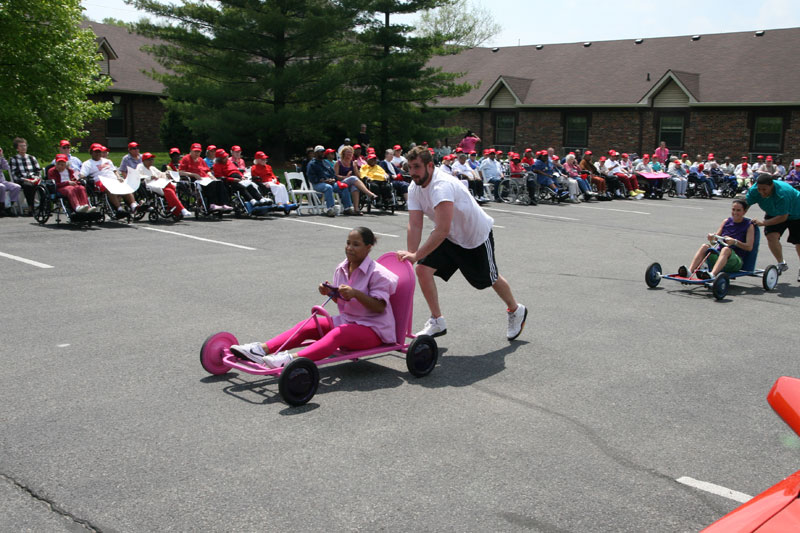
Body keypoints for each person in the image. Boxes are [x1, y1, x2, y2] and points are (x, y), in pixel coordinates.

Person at [396, 146, 527, 341]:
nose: (413, 172)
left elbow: (441, 230)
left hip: (475, 237)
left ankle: (516, 310)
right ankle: (437, 320)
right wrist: (412, 255)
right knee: (422, 270)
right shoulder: (414, 187)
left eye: (417, 167)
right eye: (410, 167)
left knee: (488, 279)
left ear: (430, 166)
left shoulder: (441, 186)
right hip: (449, 238)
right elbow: (415, 224)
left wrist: (417, 255)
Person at [230, 227, 398, 368]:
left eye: (356, 244)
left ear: (368, 247)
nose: (349, 248)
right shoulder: (342, 268)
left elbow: (379, 307)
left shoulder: (379, 274)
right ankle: (260, 350)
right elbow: (343, 302)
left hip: (374, 330)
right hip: (348, 320)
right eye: (348, 243)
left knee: (338, 334)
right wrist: (330, 292)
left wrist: (356, 293)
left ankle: (291, 360)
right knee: (310, 325)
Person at [746, 174, 800, 281]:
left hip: (796, 213)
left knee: (799, 242)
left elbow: (783, 217)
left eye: (764, 189)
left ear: (772, 185)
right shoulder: (754, 190)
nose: (761, 192)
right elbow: (746, 204)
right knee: (771, 236)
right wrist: (739, 219)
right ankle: (781, 263)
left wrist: (763, 222)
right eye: (759, 189)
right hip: (774, 212)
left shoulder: (783, 192)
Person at [684, 199, 755, 280]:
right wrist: (711, 238)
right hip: (720, 256)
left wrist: (735, 242)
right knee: (705, 246)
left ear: (744, 212)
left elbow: (749, 247)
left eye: (738, 210)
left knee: (726, 249)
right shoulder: (726, 221)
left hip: (735, 260)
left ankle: (712, 274)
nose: (735, 213)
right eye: (733, 209)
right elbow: (714, 242)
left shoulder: (749, 226)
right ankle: (690, 271)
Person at [80, 143, 141, 218]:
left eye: (99, 151)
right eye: (95, 152)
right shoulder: (87, 164)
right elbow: (82, 174)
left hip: (113, 179)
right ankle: (119, 209)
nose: (98, 153)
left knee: (126, 186)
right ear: (91, 152)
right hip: (100, 181)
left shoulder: (107, 161)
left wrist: (119, 177)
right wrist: (79, 177)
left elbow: (115, 171)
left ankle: (134, 206)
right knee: (109, 188)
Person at [136, 152, 193, 219]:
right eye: (149, 159)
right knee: (168, 190)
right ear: (144, 161)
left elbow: (160, 174)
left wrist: (166, 174)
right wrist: (150, 177)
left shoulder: (152, 168)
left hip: (158, 183)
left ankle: (172, 207)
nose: (151, 161)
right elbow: (138, 176)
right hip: (149, 184)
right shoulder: (140, 166)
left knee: (172, 186)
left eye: (152, 159)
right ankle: (181, 209)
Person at [179, 143, 232, 212]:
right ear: (191, 151)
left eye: (198, 152)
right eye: (195, 151)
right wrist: (194, 174)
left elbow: (207, 171)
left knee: (219, 183)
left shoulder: (201, 160)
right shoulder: (186, 159)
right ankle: (212, 204)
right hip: (194, 180)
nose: (197, 153)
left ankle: (224, 204)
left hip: (205, 178)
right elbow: (180, 172)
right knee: (211, 184)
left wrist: (212, 176)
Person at [306, 145, 355, 217]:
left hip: (330, 183)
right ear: (316, 153)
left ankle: (347, 208)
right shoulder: (312, 164)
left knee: (344, 186)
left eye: (323, 152)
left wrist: (333, 179)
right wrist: (323, 181)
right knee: (328, 187)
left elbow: (333, 174)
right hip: (318, 184)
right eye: (321, 152)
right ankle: (330, 209)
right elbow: (311, 177)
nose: (323, 153)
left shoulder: (326, 163)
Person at [335, 145, 376, 214]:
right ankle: (369, 193)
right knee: (353, 178)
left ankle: (356, 209)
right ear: (343, 153)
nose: (349, 154)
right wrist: (346, 177)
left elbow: (358, 176)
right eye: (348, 152)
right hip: (340, 182)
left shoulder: (353, 163)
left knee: (354, 187)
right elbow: (336, 176)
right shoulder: (338, 163)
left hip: (350, 182)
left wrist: (356, 167)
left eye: (351, 153)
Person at [8, 137, 42, 216]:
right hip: (22, 180)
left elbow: (38, 170)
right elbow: (15, 174)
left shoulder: (32, 158)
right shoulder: (14, 159)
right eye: (21, 146)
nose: (24, 148)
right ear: (17, 148)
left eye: (24, 146)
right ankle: (31, 208)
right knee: (28, 186)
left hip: (34, 179)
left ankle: (42, 207)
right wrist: (26, 180)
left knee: (44, 186)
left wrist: (35, 178)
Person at [0, 146, 23, 216]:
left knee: (16, 187)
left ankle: (9, 207)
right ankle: (1, 208)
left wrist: (1, 156)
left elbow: (6, 167)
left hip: (2, 180)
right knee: (2, 187)